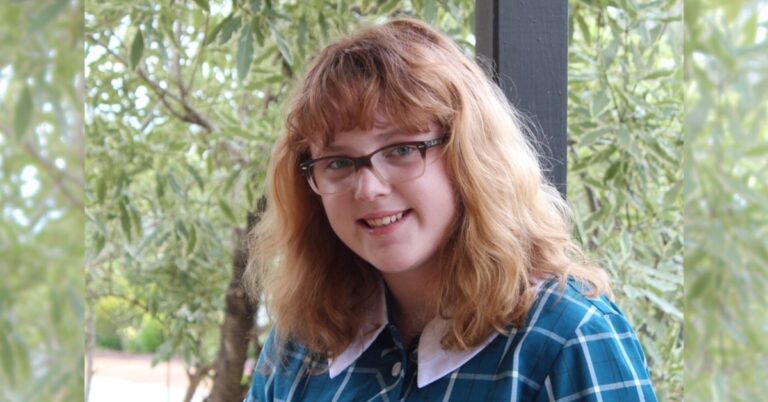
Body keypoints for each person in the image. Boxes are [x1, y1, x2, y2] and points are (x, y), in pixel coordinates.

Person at [243, 18, 657, 402]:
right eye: (337, 162)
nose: (368, 187)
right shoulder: (300, 346)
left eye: (402, 149)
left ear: (467, 154)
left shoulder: (569, 337)